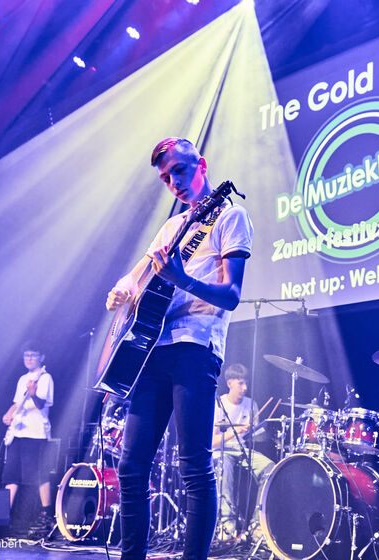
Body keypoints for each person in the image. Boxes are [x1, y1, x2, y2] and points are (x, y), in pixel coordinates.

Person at [106, 137, 253, 560]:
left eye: (180, 171)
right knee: (131, 467)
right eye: (166, 178)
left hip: (195, 347)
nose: (174, 182)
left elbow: (231, 295)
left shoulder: (231, 216)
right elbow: (136, 276)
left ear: (201, 164)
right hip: (153, 349)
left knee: (194, 467)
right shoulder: (172, 227)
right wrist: (122, 290)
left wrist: (183, 280)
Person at [212, 364, 274, 537]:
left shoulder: (250, 404)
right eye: (240, 383)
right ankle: (227, 526)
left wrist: (258, 430)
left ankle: (257, 526)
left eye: (246, 383)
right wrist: (236, 431)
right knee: (225, 464)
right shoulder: (219, 404)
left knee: (270, 468)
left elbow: (257, 438)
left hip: (242, 450)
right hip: (223, 451)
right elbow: (212, 443)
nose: (245, 387)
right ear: (230, 383)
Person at [1, 340, 55, 533]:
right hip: (18, 433)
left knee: (39, 474)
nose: (29, 359)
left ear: (41, 357)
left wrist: (33, 393)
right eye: (26, 355)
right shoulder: (22, 378)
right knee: (11, 475)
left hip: (35, 433)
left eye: (33, 355)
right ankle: (3, 515)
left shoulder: (45, 378)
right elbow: (17, 402)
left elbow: (41, 404)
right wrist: (8, 414)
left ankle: (46, 515)